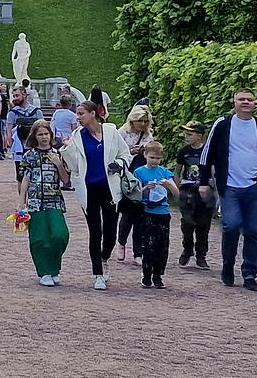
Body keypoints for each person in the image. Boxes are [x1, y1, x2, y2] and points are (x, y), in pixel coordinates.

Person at [198, 90, 257, 292]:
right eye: (241, 99)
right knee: (231, 225)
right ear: (234, 102)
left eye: (249, 99)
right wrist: (203, 181)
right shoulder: (223, 124)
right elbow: (206, 153)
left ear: (255, 103)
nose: (246, 102)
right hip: (229, 185)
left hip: (254, 186)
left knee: (252, 231)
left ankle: (249, 273)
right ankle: (228, 266)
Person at [61, 100, 132, 290]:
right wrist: (67, 148)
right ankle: (98, 273)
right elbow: (74, 167)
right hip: (89, 189)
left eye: (81, 113)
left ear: (93, 113)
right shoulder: (77, 136)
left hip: (109, 188)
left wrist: (119, 163)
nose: (78, 117)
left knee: (110, 231)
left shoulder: (111, 132)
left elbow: (126, 154)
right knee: (95, 231)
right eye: (77, 113)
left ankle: (105, 257)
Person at [18, 119, 69, 286]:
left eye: (46, 133)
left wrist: (58, 164)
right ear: (35, 136)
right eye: (40, 134)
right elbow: (25, 179)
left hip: (54, 199)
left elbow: (66, 180)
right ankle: (44, 271)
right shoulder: (29, 156)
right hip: (35, 201)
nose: (44, 137)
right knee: (39, 239)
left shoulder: (59, 154)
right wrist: (21, 202)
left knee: (60, 235)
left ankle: (54, 266)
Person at [133, 141, 178, 289]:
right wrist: (146, 188)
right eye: (152, 157)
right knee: (148, 245)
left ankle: (158, 275)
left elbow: (176, 193)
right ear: (145, 155)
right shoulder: (139, 172)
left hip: (163, 213)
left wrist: (169, 185)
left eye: (158, 158)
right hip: (147, 213)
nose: (155, 161)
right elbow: (135, 194)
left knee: (162, 245)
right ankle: (146, 274)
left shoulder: (164, 172)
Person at [117, 104, 155, 264]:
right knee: (127, 214)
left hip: (142, 176)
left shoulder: (148, 135)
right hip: (126, 175)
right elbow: (117, 152)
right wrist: (130, 151)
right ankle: (121, 242)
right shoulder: (122, 133)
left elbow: (153, 153)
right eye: (141, 121)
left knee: (141, 215)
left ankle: (138, 252)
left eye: (146, 121)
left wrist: (146, 150)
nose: (144, 124)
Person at [176, 121, 212, 268]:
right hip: (188, 190)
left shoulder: (209, 152)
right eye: (185, 134)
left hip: (204, 191)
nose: (186, 137)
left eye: (189, 134)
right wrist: (179, 189)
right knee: (187, 222)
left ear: (199, 136)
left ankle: (201, 255)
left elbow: (214, 171)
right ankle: (187, 249)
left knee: (204, 225)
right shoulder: (183, 151)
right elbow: (177, 171)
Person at [5, 86, 43, 181]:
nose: (15, 98)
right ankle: (22, 196)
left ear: (24, 95)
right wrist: (10, 144)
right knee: (20, 178)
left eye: (17, 95)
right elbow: (8, 129)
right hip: (20, 148)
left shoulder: (36, 111)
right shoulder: (13, 113)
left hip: (35, 147)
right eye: (14, 96)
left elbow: (43, 128)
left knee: (37, 175)